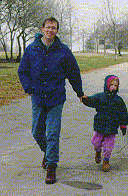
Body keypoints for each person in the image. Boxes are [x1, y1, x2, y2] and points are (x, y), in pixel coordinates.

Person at [18, 17, 84, 184]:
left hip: (56, 98)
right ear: (42, 29)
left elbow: (73, 73)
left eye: (53, 28)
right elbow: (22, 71)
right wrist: (29, 88)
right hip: (38, 98)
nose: (50, 30)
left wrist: (79, 92)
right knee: (36, 132)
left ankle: (51, 167)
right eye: (48, 27)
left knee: (53, 133)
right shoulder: (32, 49)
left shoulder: (63, 50)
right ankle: (48, 154)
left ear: (56, 30)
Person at [81, 75, 128, 172]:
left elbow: (123, 113)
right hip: (100, 125)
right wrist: (86, 100)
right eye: (111, 85)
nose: (113, 87)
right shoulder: (100, 97)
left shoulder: (119, 100)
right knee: (95, 142)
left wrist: (123, 125)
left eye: (116, 85)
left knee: (109, 145)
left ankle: (106, 160)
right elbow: (91, 101)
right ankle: (98, 152)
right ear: (107, 85)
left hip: (112, 127)